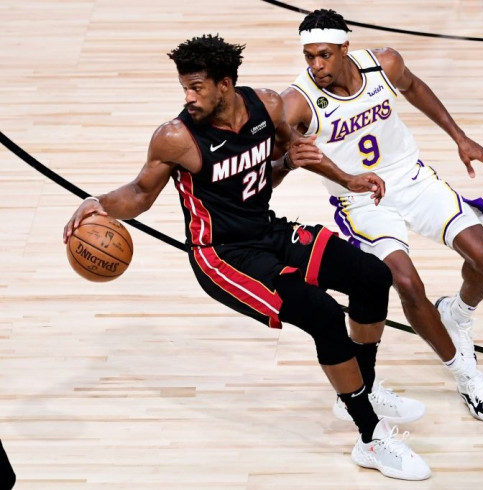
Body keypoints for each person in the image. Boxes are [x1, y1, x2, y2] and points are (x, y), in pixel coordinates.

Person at [62, 35, 430, 481]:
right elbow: (140, 194)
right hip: (222, 257)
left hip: (267, 230)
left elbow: (293, 154)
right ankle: (371, 438)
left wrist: (345, 177)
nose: (188, 98)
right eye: (184, 88)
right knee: (323, 314)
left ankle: (360, 390)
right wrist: (95, 201)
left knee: (372, 275)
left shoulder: (267, 107)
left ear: (225, 83)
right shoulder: (177, 137)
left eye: (197, 87)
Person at [281, 9, 483, 423]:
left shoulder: (384, 63)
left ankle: (456, 314)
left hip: (412, 177)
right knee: (405, 281)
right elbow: (288, 152)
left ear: (346, 48)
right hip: (361, 201)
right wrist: (343, 178)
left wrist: (461, 138)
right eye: (309, 56)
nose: (315, 65)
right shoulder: (298, 100)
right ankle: (466, 376)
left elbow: (415, 87)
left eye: (324, 55)